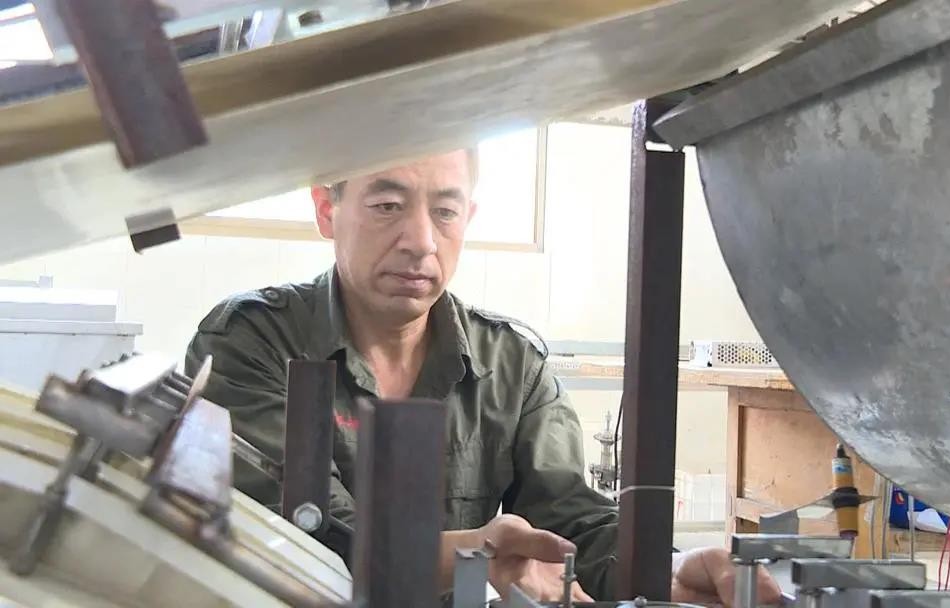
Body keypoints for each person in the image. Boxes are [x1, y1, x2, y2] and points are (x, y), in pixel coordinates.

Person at [185, 149, 781, 604]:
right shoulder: (251, 342)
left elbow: (571, 519)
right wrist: (478, 551)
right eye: (387, 205)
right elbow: (304, 538)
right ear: (326, 209)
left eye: (445, 212)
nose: (421, 241)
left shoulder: (511, 364)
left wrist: (667, 570)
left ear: (467, 216)